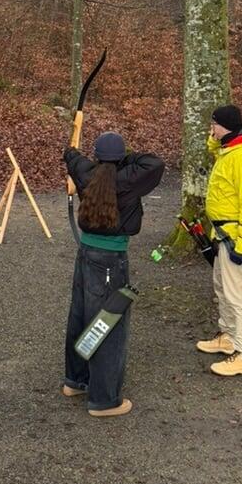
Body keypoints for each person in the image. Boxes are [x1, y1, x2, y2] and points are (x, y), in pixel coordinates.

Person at [63, 132, 164, 417]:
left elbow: (72, 157)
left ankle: (76, 380)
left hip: (85, 256)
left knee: (81, 316)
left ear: (96, 156)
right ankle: (104, 400)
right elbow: (154, 163)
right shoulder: (128, 178)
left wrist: (72, 150)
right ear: (120, 158)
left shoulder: (86, 172)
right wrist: (124, 158)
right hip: (110, 261)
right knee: (107, 325)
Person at [196, 104, 242, 377]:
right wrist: (214, 140)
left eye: (214, 125)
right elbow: (215, 150)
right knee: (222, 287)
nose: (211, 129)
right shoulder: (229, 149)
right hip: (221, 232)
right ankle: (227, 337)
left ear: (225, 126)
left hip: (235, 235)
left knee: (238, 294)